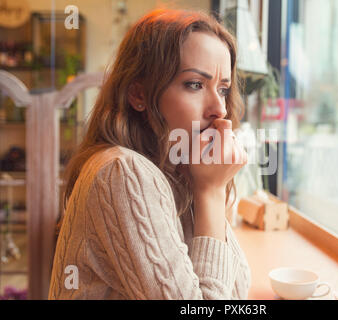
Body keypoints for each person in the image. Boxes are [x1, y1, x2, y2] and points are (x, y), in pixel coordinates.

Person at [48, 8, 251, 300]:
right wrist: (211, 192)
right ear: (138, 95)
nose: (219, 108)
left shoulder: (177, 170)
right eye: (195, 84)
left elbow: (236, 289)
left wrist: (205, 187)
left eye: (222, 89)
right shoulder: (123, 171)